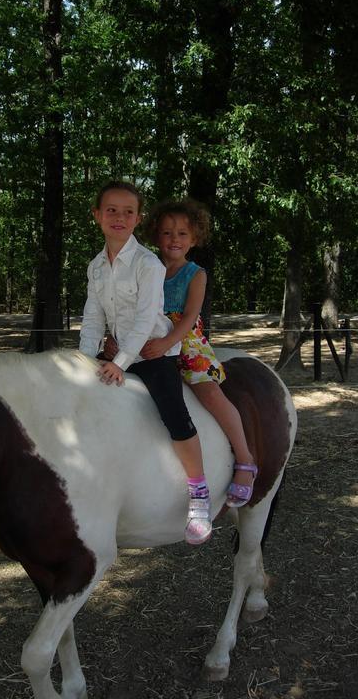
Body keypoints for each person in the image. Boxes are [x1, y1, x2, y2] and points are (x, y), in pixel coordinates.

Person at [79, 181, 212, 545]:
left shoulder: (147, 263)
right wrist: (84, 356)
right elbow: (93, 315)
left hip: (152, 353)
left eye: (127, 212)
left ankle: (199, 494)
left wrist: (121, 361)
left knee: (174, 414)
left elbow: (143, 319)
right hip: (117, 353)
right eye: (111, 210)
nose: (118, 217)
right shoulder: (95, 266)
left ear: (138, 219)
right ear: (97, 216)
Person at [139, 199, 257, 507]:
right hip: (149, 336)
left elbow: (190, 316)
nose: (174, 240)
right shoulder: (146, 267)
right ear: (156, 236)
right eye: (166, 233)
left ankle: (245, 460)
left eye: (182, 233)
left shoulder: (195, 274)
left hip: (185, 339)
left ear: (194, 238)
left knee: (208, 392)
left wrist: (168, 343)